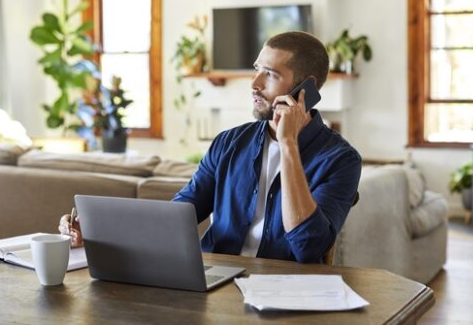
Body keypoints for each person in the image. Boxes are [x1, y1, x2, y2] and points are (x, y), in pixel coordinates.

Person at [60, 31, 361, 263]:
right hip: (217, 283)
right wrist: (100, 234)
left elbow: (309, 247)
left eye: (270, 74)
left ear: (305, 89)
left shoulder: (341, 159)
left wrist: (288, 145)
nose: (254, 83)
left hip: (284, 292)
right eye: (257, 69)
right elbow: (178, 216)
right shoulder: (229, 142)